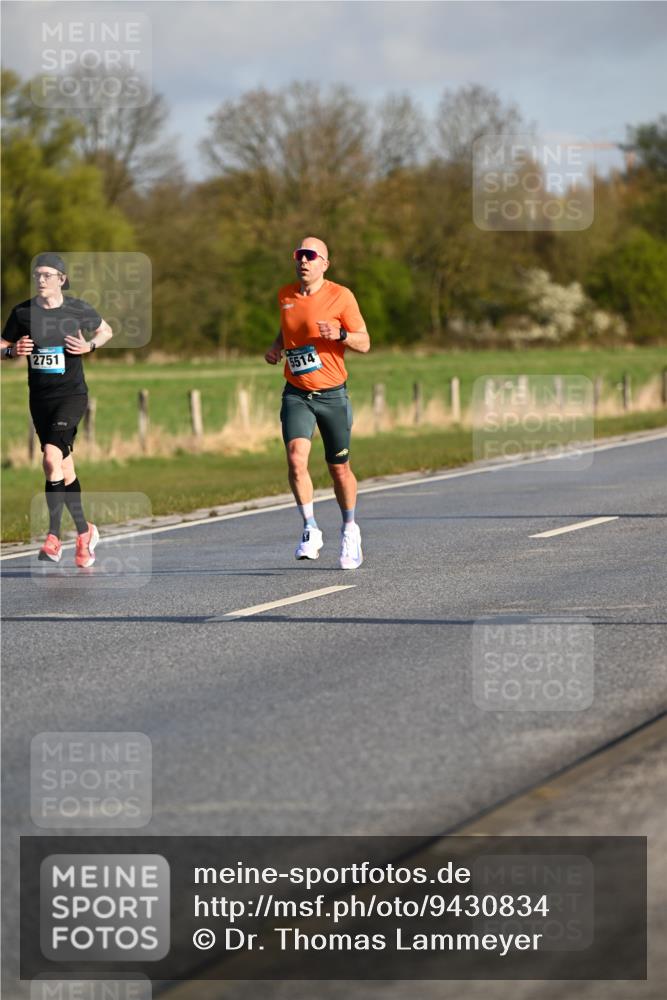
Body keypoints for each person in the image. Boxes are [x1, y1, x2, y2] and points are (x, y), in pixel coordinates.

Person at [265, 236, 370, 569]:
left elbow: (365, 342)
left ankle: (350, 528)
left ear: (325, 263)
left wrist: (339, 335)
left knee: (339, 468)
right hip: (296, 392)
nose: (303, 261)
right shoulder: (285, 295)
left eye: (311, 256)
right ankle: (310, 528)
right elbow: (289, 329)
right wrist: (276, 346)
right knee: (296, 459)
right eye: (299, 255)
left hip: (332, 395)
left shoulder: (341, 296)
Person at [1, 253, 113, 566]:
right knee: (64, 469)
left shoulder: (76, 308)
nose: (41, 280)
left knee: (51, 458)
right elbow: (0, 345)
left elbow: (106, 330)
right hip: (40, 399)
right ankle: (85, 532)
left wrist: (89, 346)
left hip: (72, 395)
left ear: (62, 279)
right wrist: (11, 351)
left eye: (48, 275)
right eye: (37, 275)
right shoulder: (22, 313)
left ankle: (52, 538)